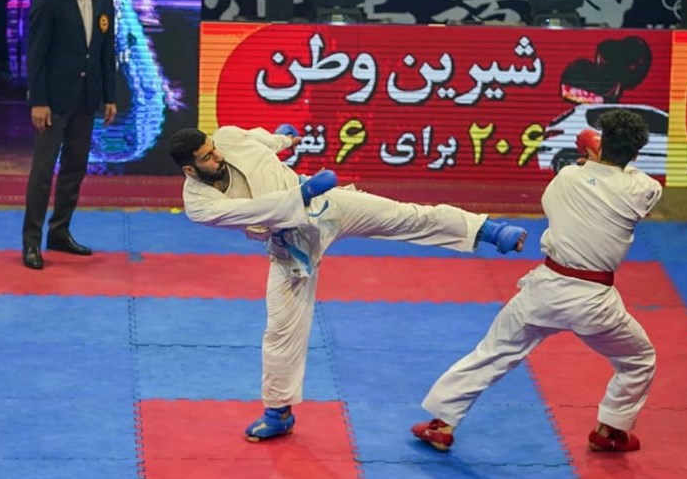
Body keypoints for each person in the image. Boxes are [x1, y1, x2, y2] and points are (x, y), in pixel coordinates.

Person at [168, 124, 528, 442]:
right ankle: (278, 413)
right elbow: (254, 211)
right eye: (208, 157)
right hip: (290, 244)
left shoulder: (228, 138)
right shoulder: (199, 205)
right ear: (190, 169)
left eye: (214, 148)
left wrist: (284, 139)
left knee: (405, 215)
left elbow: (260, 141)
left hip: (327, 205)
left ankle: (490, 231)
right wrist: (302, 194)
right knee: (281, 329)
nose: (218, 155)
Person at [411, 109, 662, 453]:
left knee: (492, 353)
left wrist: (592, 160)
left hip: (545, 290)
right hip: (595, 303)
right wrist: (600, 157)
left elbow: (570, 191)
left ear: (602, 146)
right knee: (639, 359)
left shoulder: (568, 177)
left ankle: (441, 424)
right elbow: (619, 174)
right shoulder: (645, 189)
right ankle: (610, 430)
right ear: (635, 154)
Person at [22, 0, 117, 270]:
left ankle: (60, 232)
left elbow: (106, 51)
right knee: (43, 171)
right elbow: (36, 55)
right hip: (53, 101)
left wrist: (109, 96)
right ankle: (31, 242)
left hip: (86, 99)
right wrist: (39, 101)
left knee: (75, 169)